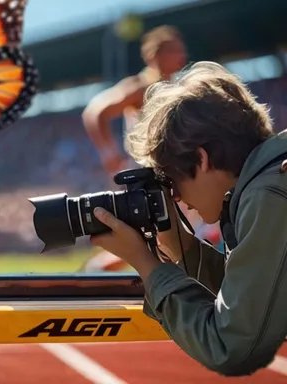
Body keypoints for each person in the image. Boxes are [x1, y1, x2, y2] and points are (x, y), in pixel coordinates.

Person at [90, 61, 287, 376]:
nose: (176, 198)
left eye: (172, 181)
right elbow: (257, 294)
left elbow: (230, 346)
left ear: (200, 158)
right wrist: (183, 248)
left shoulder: (269, 196)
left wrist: (146, 264)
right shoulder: (272, 181)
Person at [80, 25, 187, 272]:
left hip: (170, 175)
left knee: (168, 243)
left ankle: (94, 274)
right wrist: (110, 154)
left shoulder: (175, 89)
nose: (182, 56)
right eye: (174, 50)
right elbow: (95, 113)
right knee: (157, 241)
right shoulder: (141, 86)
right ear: (154, 55)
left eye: (181, 50)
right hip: (147, 177)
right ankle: (93, 274)